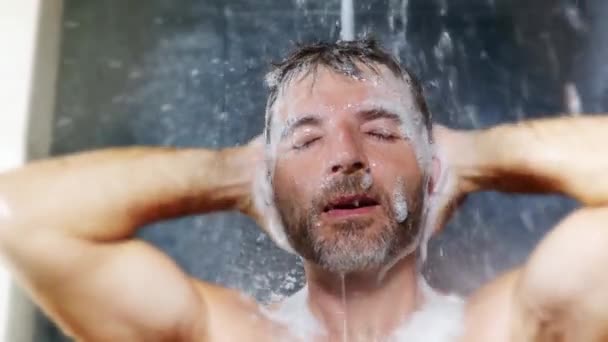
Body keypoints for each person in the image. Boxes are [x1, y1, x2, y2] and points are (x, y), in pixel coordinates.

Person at [0, 39, 607, 342]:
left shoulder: (513, 328)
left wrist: (479, 156)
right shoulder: (222, 335)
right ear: (265, 180)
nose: (346, 157)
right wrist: (230, 174)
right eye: (307, 140)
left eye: (380, 130)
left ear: (434, 171)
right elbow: (19, 214)